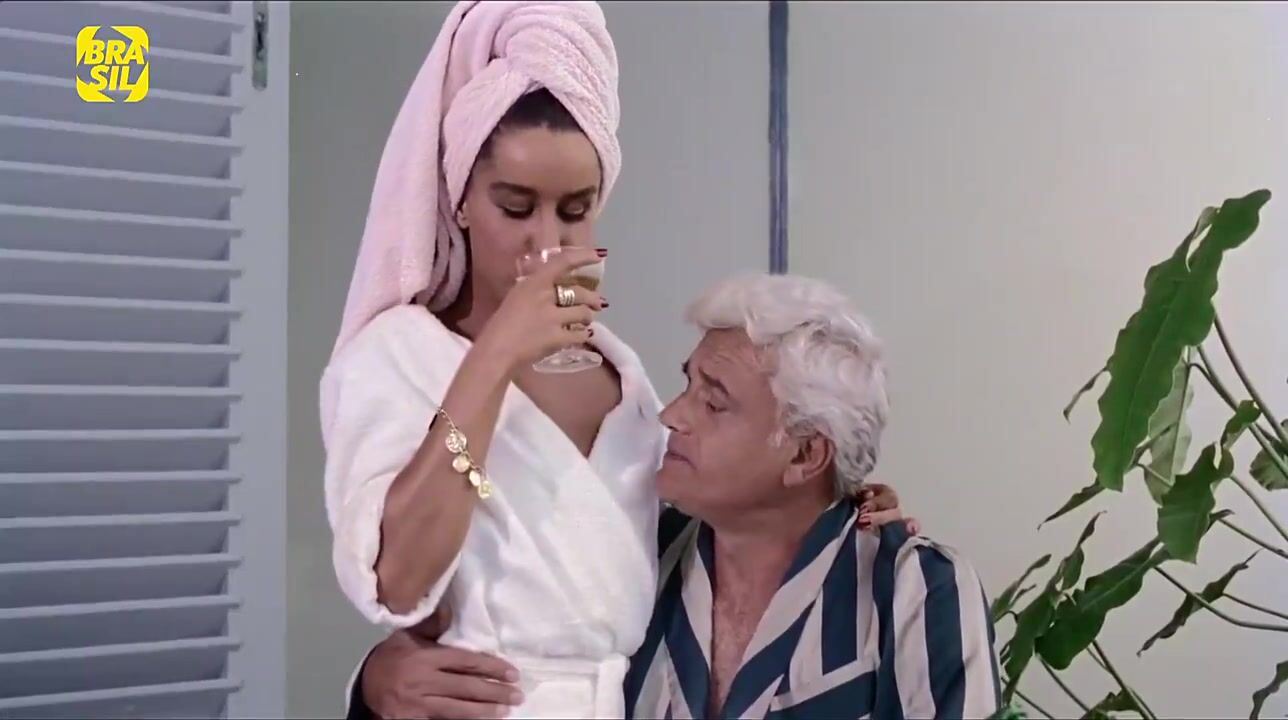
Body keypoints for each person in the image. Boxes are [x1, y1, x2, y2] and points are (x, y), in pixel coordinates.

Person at [320, 2, 909, 718]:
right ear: (462, 200)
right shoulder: (396, 355)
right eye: (515, 207)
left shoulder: (622, 378)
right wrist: (494, 358)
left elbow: (691, 541)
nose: (548, 244)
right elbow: (396, 585)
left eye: (575, 210)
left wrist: (834, 510)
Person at [349, 274, 1002, 720]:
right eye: (686, 384)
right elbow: (498, 656)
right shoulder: (636, 553)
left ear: (805, 455)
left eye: (713, 403)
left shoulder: (912, 590)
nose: (669, 417)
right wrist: (380, 681)